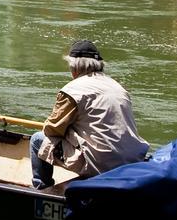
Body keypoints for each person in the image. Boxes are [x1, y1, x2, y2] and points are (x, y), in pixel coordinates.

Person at [29, 40, 149, 190]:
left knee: (37, 140)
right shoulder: (118, 88)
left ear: (74, 68)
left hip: (101, 164)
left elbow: (52, 130)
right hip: (131, 161)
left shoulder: (72, 90)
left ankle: (42, 190)